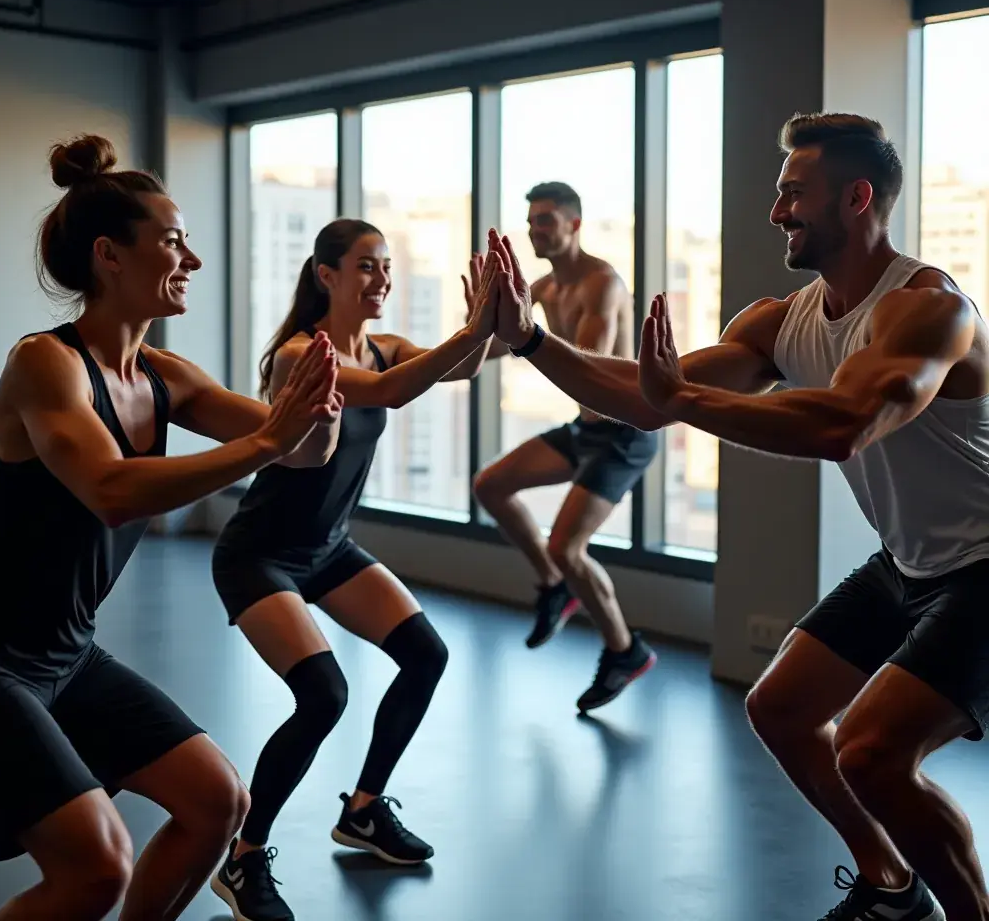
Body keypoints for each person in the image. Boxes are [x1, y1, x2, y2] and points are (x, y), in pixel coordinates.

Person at [489, 113, 989, 921]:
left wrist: (682, 398)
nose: (777, 211)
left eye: (794, 194)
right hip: (910, 560)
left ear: (857, 198)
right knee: (781, 709)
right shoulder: (780, 319)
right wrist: (532, 343)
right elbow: (649, 397)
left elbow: (843, 425)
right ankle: (893, 888)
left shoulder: (930, 311)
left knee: (871, 754)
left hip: (983, 569)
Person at [0, 134, 343, 921]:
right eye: (173, 242)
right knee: (96, 867)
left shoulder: (165, 377)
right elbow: (109, 489)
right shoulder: (46, 363)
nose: (191, 261)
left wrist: (320, 404)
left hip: (67, 651)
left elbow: (303, 452)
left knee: (217, 802)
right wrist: (272, 439)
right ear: (109, 255)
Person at [209, 218, 501, 921]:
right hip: (260, 554)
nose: (382, 280)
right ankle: (243, 859)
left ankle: (364, 810)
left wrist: (488, 325)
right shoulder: (298, 356)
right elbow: (394, 391)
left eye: (387, 267)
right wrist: (477, 329)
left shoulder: (380, 345)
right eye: (366, 266)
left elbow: (454, 367)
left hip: (328, 547)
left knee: (424, 655)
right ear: (325, 274)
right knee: (323, 696)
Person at [472, 182, 658, 713]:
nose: (536, 230)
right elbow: (495, 346)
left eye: (547, 221)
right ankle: (556, 587)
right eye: (531, 221)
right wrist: (464, 342)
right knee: (491, 484)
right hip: (586, 431)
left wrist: (523, 335)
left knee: (566, 545)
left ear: (574, 224)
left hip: (626, 433)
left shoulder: (602, 283)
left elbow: (590, 363)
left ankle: (626, 650)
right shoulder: (544, 289)